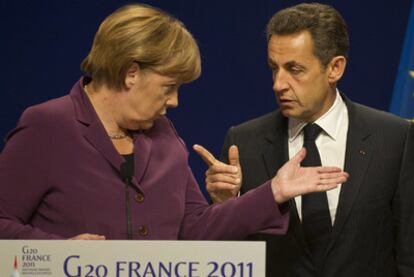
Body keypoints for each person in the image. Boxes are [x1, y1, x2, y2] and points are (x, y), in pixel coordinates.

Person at [0, 4, 348, 241]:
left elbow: (195, 227)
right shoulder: (48, 126)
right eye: (169, 87)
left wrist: (273, 191)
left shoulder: (163, 135)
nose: (174, 102)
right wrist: (58, 253)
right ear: (131, 73)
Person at [196, 3, 414, 277]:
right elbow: (226, 259)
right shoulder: (244, 142)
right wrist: (226, 205)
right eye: (274, 68)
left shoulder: (394, 137)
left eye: (294, 69)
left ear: (335, 68)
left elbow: (409, 253)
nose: (278, 84)